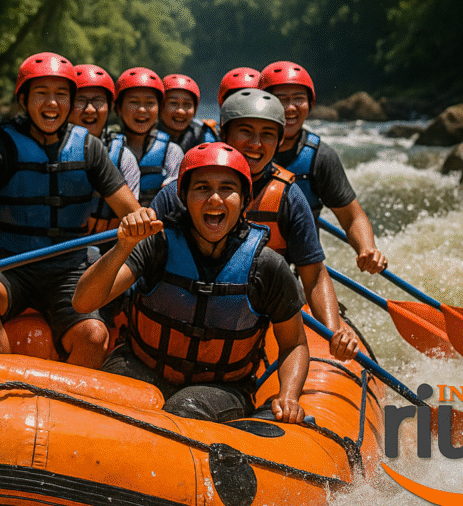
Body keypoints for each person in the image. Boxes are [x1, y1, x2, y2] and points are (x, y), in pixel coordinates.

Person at [73, 143, 308, 423]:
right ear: (184, 197)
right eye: (202, 188)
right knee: (114, 406)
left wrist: (289, 395)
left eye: (227, 189)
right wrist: (123, 246)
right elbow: (84, 302)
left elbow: (293, 343)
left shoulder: (267, 266)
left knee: (185, 409)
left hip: (222, 387)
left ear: (245, 199)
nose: (215, 199)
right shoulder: (157, 244)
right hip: (139, 365)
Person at [0, 53, 144, 368]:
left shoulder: (89, 148)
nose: (52, 103)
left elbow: (129, 209)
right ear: (25, 100)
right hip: (11, 263)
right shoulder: (0, 148)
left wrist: (140, 219)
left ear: (71, 101)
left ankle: (68, 405)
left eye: (61, 95)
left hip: (68, 269)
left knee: (94, 335)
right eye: (42, 94)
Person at [151, 88, 359, 361]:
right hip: (186, 301)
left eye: (268, 135)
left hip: (261, 305)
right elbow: (142, 259)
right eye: (245, 132)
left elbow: (314, 274)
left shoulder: (289, 196)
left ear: (279, 140)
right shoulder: (186, 186)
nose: (256, 144)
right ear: (224, 135)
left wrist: (334, 330)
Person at [259, 61, 387, 274]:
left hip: (298, 270)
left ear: (310, 104)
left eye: (298, 99)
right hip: (247, 265)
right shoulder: (244, 150)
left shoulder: (320, 158)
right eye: (280, 99)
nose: (290, 108)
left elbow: (351, 216)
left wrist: (368, 248)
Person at [70, 64, 140, 232]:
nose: (89, 109)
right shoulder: (49, 151)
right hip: (57, 248)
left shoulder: (124, 157)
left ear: (110, 108)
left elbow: (132, 218)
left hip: (106, 248)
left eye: (98, 101)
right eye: (80, 100)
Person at [109, 67, 184, 207]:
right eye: (134, 102)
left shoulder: (172, 152)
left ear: (159, 109)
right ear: (118, 108)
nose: (142, 110)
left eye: (150, 103)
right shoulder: (106, 148)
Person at [159, 73, 218, 153]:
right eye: (173, 103)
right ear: (160, 106)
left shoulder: (205, 135)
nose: (181, 111)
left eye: (187, 104)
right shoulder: (143, 135)